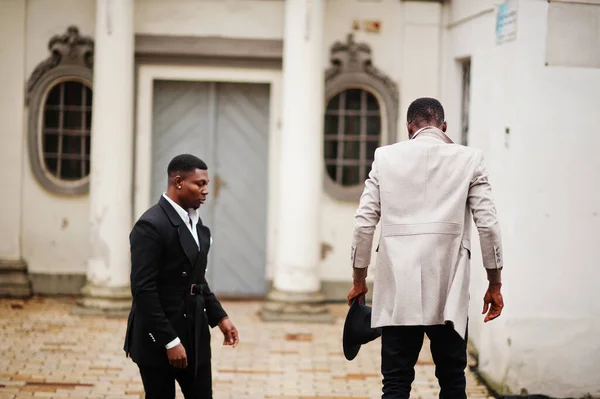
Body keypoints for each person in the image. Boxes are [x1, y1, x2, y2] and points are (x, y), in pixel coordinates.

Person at [347, 98, 504, 399]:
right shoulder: (470, 159)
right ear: (444, 127)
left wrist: (358, 280)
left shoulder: (385, 157)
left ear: (409, 127)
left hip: (398, 292)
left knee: (395, 383)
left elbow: (364, 224)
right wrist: (494, 283)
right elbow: (488, 225)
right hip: (449, 290)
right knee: (452, 380)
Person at [124, 154, 239, 399]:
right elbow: (143, 290)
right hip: (157, 336)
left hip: (194, 331)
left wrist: (220, 317)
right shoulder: (151, 225)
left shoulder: (195, 223)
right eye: (200, 184)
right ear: (178, 182)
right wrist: (169, 341)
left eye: (206, 183)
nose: (206, 190)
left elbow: (197, 279)